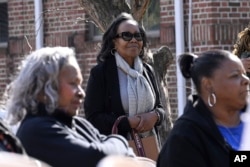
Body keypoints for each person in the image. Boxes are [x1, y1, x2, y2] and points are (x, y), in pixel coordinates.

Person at [6, 47, 135, 167]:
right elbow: (95, 157)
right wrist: (120, 141)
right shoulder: (35, 130)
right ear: (43, 88)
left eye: (80, 84)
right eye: (73, 84)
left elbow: (126, 158)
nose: (81, 93)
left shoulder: (79, 124)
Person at [84, 12, 165, 148]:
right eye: (126, 35)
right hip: (116, 150)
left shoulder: (147, 71)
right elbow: (93, 118)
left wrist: (156, 116)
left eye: (137, 36)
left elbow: (160, 108)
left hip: (149, 146)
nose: (133, 40)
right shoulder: (101, 73)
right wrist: (127, 122)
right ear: (114, 42)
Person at [157, 50, 249, 167]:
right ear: (208, 85)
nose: (246, 80)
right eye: (235, 75)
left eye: (244, 74)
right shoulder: (184, 139)